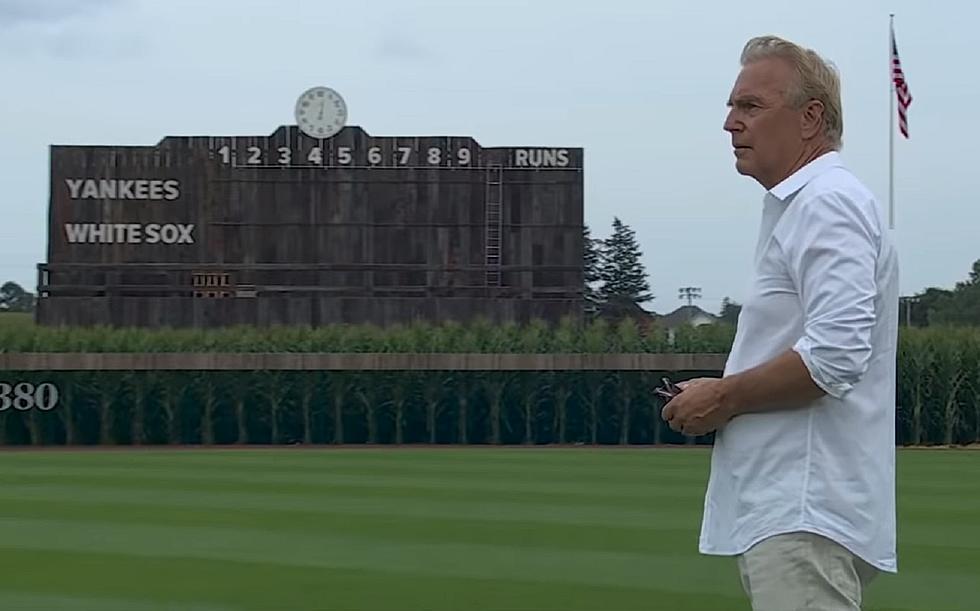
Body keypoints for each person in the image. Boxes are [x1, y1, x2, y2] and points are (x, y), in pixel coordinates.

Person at [661, 35, 900, 610]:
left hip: (803, 507)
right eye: (731, 106)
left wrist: (723, 396)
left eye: (750, 106)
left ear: (810, 117)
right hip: (798, 507)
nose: (730, 123)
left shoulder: (826, 203)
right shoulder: (810, 204)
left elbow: (835, 356)